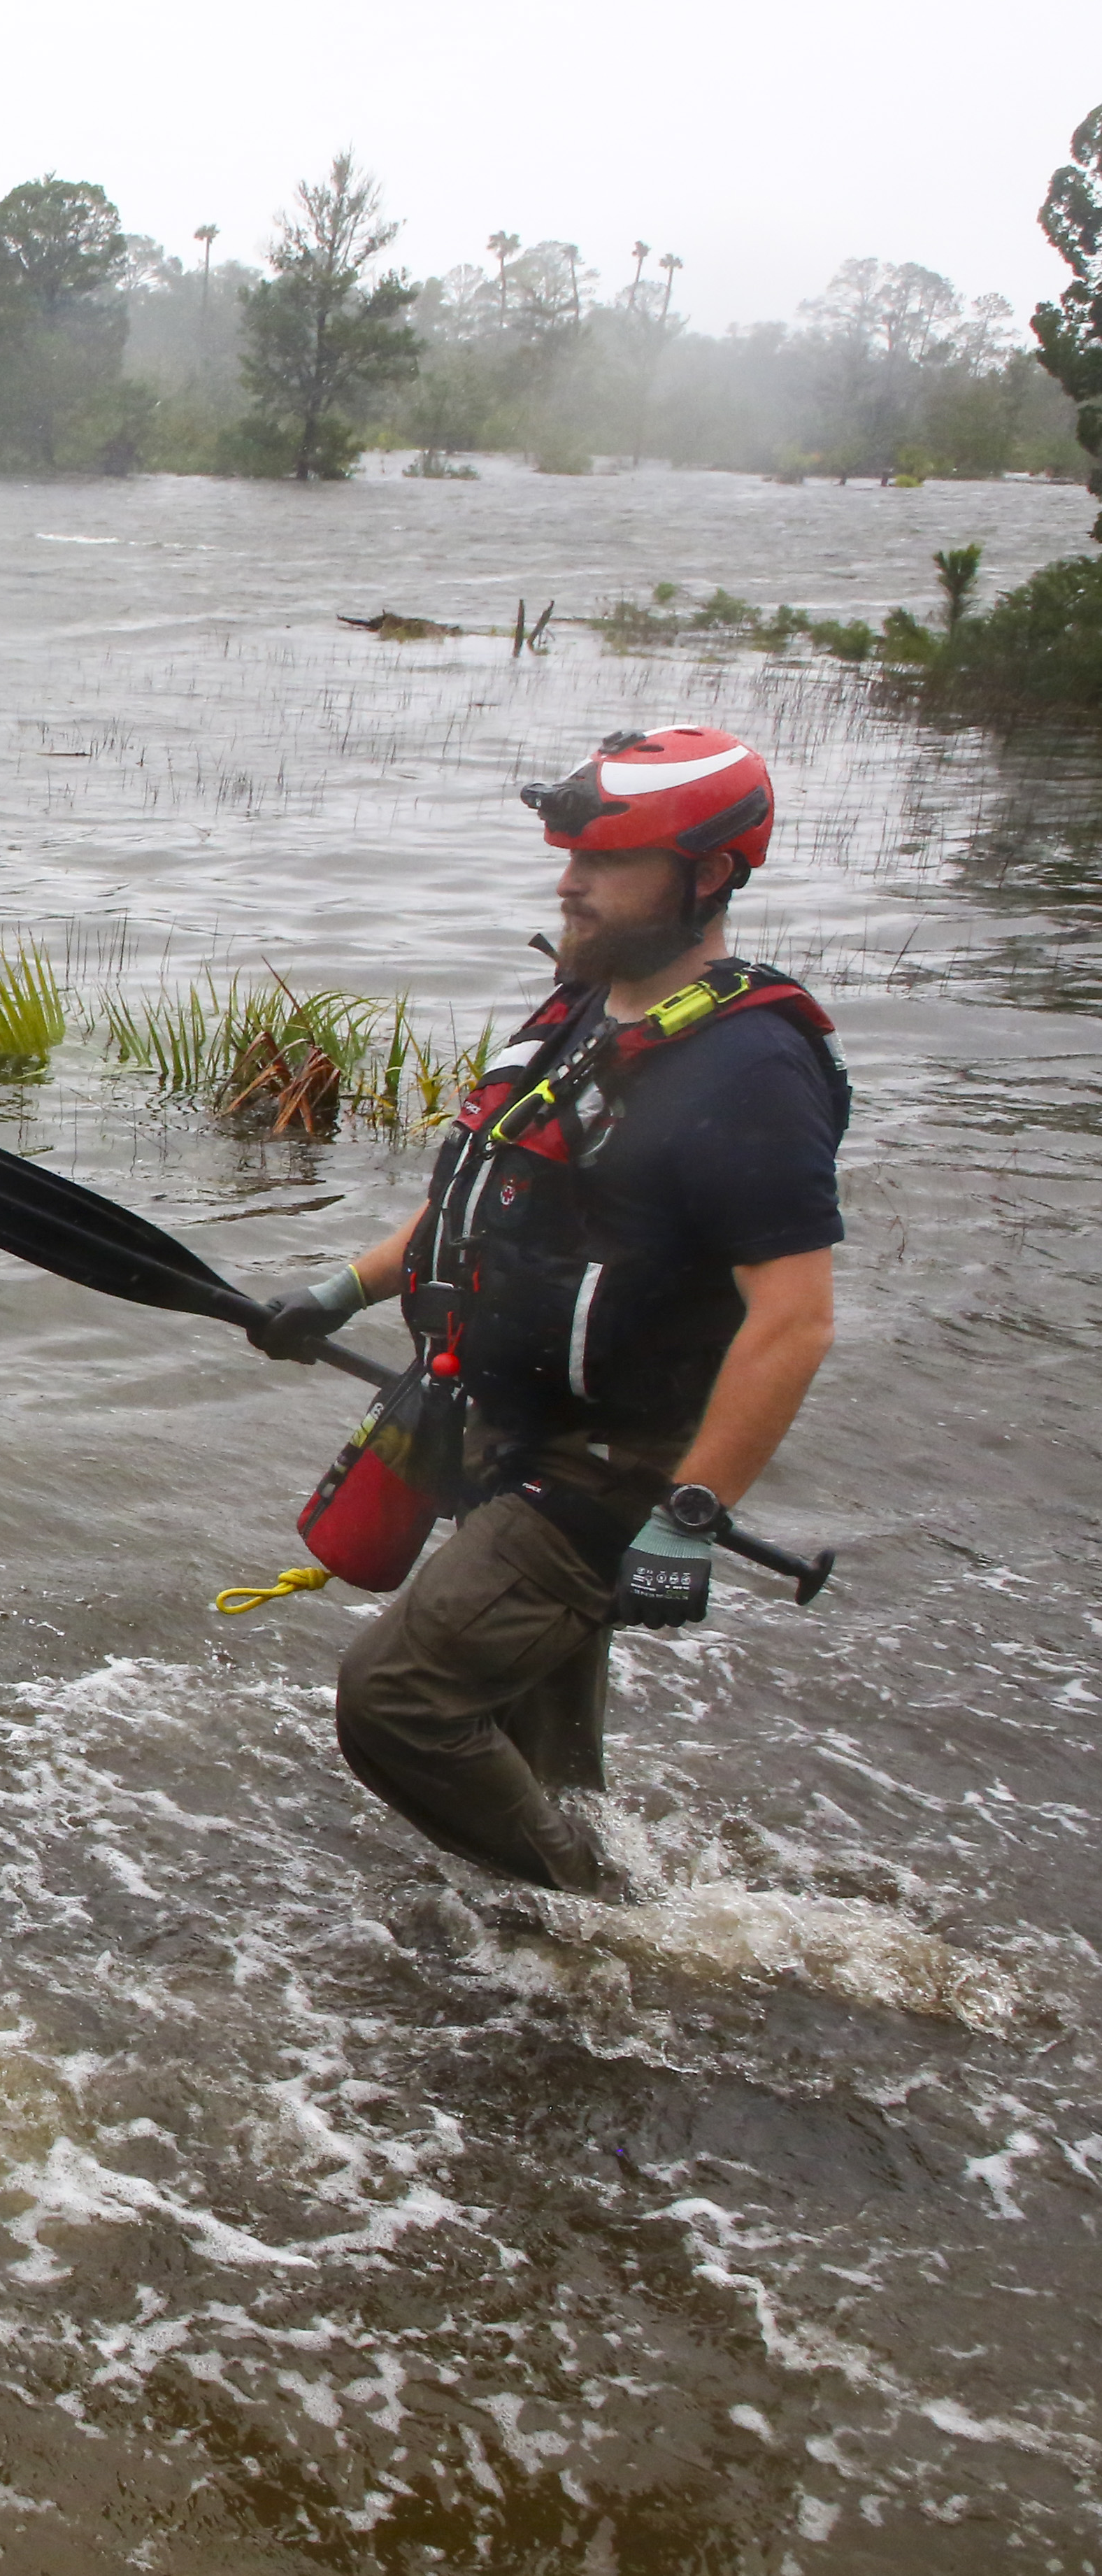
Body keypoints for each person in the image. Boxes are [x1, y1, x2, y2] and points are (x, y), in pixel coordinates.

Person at [250, 727, 848, 1895]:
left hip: (604, 1469)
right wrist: (339, 1293)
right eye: (568, 852)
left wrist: (688, 1512)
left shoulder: (754, 1071)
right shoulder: (583, 1017)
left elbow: (797, 1318)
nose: (568, 880)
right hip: (506, 1423)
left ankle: (612, 1926)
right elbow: (485, 1206)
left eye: (606, 859)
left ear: (709, 874)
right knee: (540, 1743)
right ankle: (570, 1937)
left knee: (399, 1702)